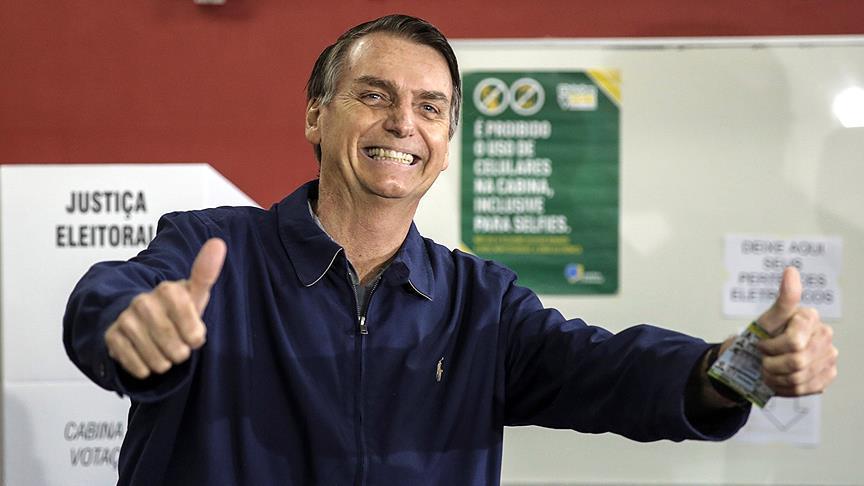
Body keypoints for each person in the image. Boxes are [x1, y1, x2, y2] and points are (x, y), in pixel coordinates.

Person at [63, 14, 837, 486]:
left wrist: (744, 367)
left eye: (429, 107)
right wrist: (131, 324)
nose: (404, 122)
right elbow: (106, 301)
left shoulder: (482, 303)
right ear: (315, 118)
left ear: (444, 143)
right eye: (374, 95)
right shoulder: (213, 249)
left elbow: (615, 374)